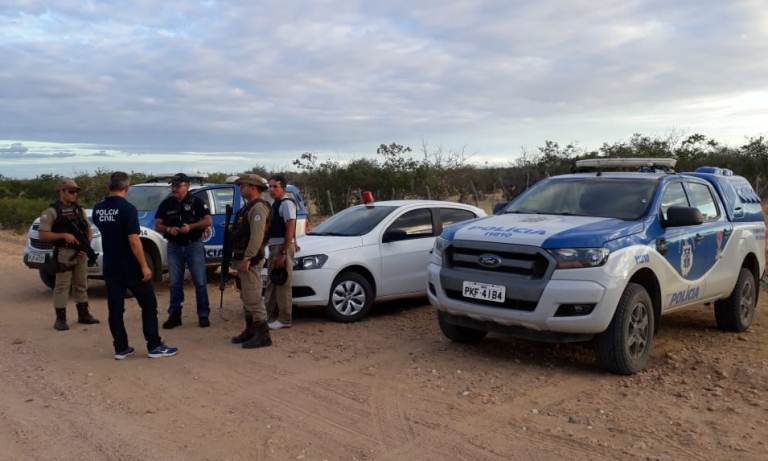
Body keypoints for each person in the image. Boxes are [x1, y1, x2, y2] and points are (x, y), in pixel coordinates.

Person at [92, 172, 178, 360]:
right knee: (148, 304)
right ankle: (154, 345)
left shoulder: (98, 209)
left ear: (108, 187)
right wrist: (144, 266)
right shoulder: (128, 208)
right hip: (130, 265)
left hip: (110, 265)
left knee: (115, 308)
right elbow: (133, 239)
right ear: (127, 188)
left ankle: (121, 348)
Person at [37, 178, 99, 330]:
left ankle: (84, 314)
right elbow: (42, 235)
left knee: (81, 284)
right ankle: (60, 319)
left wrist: (85, 245)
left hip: (81, 252)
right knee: (62, 285)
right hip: (64, 253)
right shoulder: (52, 211)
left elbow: (88, 229)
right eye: (71, 191)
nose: (74, 194)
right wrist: (63, 236)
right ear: (61, 191)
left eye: (76, 191)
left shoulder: (78, 209)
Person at [154, 173, 213, 329]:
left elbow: (208, 220)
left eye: (178, 186)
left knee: (200, 281)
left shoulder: (196, 202)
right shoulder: (166, 203)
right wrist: (168, 229)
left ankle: (203, 315)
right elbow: (157, 224)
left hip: (193, 245)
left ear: (187, 186)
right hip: (174, 246)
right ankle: (175, 315)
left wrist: (191, 227)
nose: (174, 189)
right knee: (175, 283)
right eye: (173, 186)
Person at [229, 174, 273, 348]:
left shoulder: (258, 208)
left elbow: (257, 237)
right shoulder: (248, 207)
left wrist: (248, 257)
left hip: (251, 260)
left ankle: (263, 335)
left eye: (243, 186)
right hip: (242, 257)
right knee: (246, 295)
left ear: (253, 187)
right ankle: (250, 330)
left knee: (253, 296)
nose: (241, 189)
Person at [265, 175, 296, 330]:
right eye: (270, 186)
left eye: (275, 187)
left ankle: (284, 319)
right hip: (275, 247)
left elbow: (290, 227)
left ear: (283, 188)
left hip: (281, 248)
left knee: (282, 282)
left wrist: (283, 252)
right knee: (273, 281)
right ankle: (268, 316)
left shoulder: (286, 203)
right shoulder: (276, 204)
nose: (271, 189)